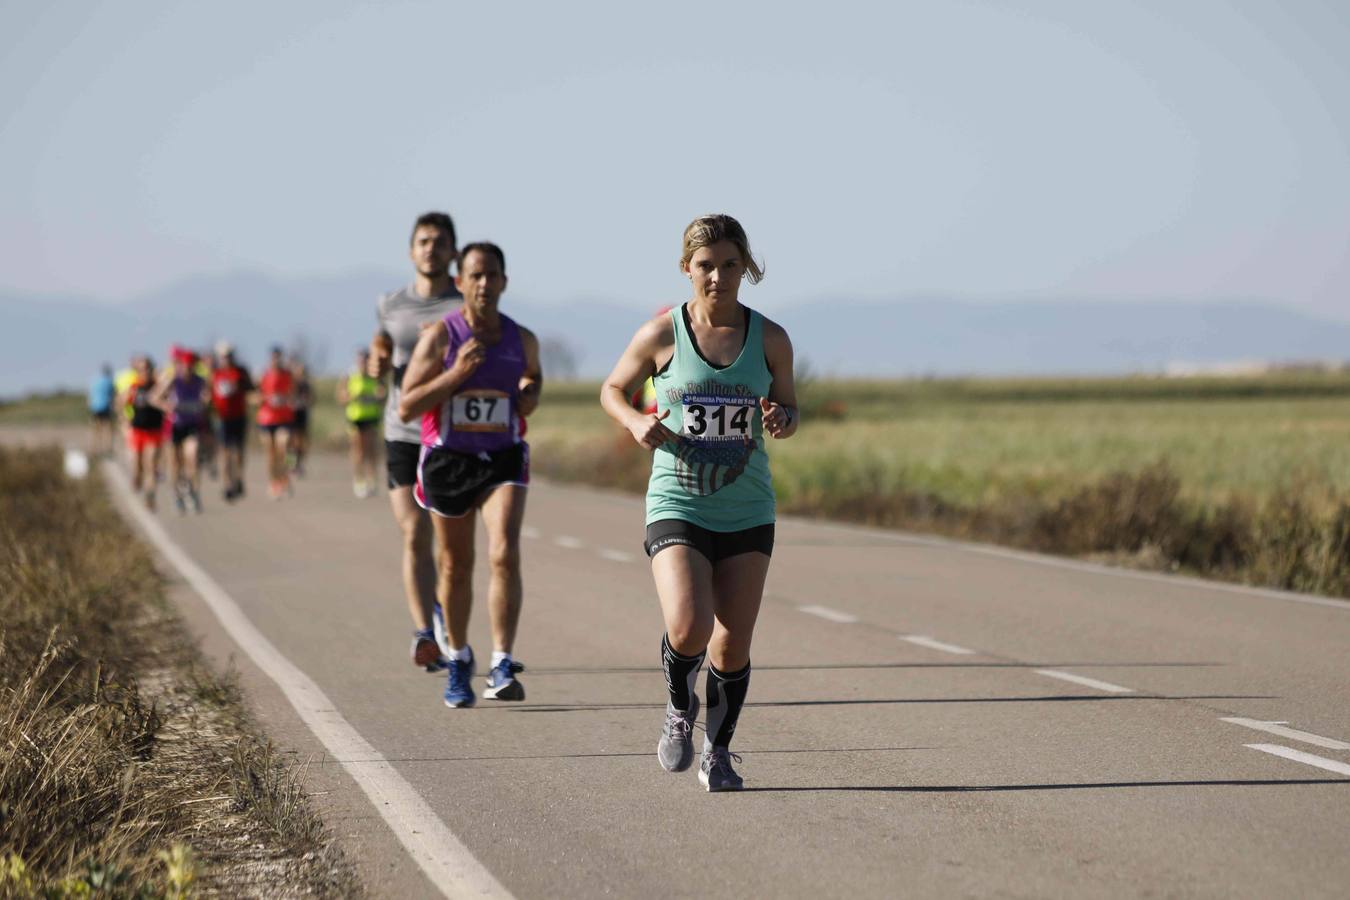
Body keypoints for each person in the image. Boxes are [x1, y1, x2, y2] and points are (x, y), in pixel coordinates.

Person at [599, 214, 798, 791]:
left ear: (747, 268)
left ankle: (720, 751)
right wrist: (636, 419)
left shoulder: (772, 339)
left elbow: (789, 408)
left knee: (732, 641)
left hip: (748, 507)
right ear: (687, 269)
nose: (717, 277)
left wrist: (782, 419)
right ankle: (678, 706)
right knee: (688, 627)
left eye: (730, 265)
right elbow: (611, 389)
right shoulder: (662, 334)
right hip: (677, 501)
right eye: (705, 266)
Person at [399, 241, 542, 708]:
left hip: (502, 456)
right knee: (455, 566)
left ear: (504, 281)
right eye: (474, 275)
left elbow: (531, 386)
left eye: (491, 275)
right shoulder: (441, 337)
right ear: (460, 282)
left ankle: (502, 662)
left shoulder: (522, 339)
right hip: (449, 459)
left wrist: (527, 395)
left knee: (504, 551)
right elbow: (407, 403)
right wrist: (455, 374)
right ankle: (458, 657)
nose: (483, 284)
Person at [370, 211, 463, 671]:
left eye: (440, 242)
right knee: (413, 532)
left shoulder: (465, 305)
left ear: (453, 252)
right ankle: (424, 631)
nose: (431, 248)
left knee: (447, 545)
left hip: (449, 436)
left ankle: (443, 613)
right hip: (401, 432)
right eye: (423, 241)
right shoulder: (390, 303)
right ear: (412, 250)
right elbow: (383, 343)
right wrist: (377, 359)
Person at [154, 349, 210, 513]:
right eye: (185, 366)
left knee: (192, 457)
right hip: (174, 426)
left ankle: (194, 493)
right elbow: (154, 398)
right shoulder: (172, 380)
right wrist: (166, 406)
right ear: (180, 366)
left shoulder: (200, 381)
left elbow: (206, 397)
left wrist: (204, 403)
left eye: (190, 366)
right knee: (175, 465)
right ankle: (177, 496)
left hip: (192, 425)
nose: (187, 369)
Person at [337, 347, 386, 497]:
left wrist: (380, 395)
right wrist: (350, 396)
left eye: (365, 359)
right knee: (358, 450)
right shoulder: (349, 376)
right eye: (360, 359)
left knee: (371, 449)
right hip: (355, 417)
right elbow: (341, 397)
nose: (363, 363)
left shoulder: (375, 376)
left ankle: (372, 480)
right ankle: (359, 480)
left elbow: (383, 394)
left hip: (371, 417)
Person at [122, 355, 168, 511]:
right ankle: (137, 478)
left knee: (151, 465)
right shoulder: (133, 387)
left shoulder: (158, 386)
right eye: (141, 369)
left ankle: (150, 496)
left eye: (147, 368)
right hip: (137, 431)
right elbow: (120, 404)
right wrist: (125, 420)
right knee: (137, 466)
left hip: (154, 431)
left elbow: (167, 393)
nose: (144, 371)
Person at [210, 342, 254, 501]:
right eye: (223, 356)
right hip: (221, 418)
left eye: (228, 356)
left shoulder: (241, 372)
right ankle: (227, 484)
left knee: (239, 452)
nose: (226, 359)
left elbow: (251, 389)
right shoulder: (215, 372)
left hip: (239, 416)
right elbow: (208, 393)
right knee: (225, 452)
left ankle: (239, 478)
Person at [256, 345, 296, 499]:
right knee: (270, 454)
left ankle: (286, 477)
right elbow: (255, 395)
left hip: (284, 418)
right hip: (267, 418)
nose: (276, 360)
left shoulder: (288, 375)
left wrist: (287, 399)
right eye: (274, 357)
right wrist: (265, 398)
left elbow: (295, 394)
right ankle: (274, 482)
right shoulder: (263, 374)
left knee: (284, 446)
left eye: (278, 357)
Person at [288, 357, 313, 476]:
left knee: (301, 442)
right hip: (291, 415)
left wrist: (306, 401)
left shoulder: (306, 385)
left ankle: (299, 464)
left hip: (302, 415)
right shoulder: (290, 384)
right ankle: (290, 464)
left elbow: (312, 399)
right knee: (291, 441)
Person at [88, 364, 116, 456]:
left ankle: (94, 449)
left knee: (96, 429)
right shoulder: (109, 382)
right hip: (105, 407)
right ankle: (108, 448)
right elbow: (112, 395)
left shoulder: (94, 381)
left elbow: (90, 395)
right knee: (107, 428)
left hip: (94, 407)